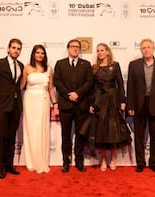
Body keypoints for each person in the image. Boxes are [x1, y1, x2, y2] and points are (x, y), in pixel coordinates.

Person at [126, 39, 155, 173]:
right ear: (141, 50)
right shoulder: (133, 65)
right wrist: (130, 106)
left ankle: (153, 163)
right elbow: (130, 87)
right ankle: (140, 163)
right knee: (139, 136)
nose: (146, 49)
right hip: (139, 104)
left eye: (148, 47)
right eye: (143, 47)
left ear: (153, 49)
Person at [54, 39, 94, 173]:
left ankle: (79, 161)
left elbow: (89, 83)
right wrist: (68, 94)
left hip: (81, 105)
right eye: (72, 46)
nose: (75, 49)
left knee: (80, 135)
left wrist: (78, 93)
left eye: (77, 47)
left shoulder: (86, 64)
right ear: (68, 48)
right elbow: (57, 82)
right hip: (65, 105)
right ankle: (66, 161)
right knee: (66, 135)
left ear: (80, 49)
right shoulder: (60, 64)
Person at [90, 43, 131, 171]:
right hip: (100, 101)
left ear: (107, 51)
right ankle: (102, 160)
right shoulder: (95, 68)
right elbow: (92, 88)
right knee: (101, 131)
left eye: (102, 50)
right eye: (98, 51)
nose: (100, 52)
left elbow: (120, 84)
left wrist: (122, 101)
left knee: (114, 131)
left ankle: (113, 159)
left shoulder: (115, 65)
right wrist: (92, 103)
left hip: (113, 100)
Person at [20, 44, 59, 173]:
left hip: (43, 100)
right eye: (37, 53)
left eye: (42, 53)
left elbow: (51, 88)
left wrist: (55, 104)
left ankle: (41, 161)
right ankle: (31, 161)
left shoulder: (49, 69)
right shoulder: (27, 68)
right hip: (30, 100)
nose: (40, 55)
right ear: (33, 54)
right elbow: (20, 86)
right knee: (30, 129)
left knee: (41, 130)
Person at [0, 38, 24, 179]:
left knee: (12, 137)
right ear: (8, 49)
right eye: (14, 48)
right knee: (2, 137)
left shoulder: (20, 65)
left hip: (16, 106)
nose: (16, 50)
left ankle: (10, 165)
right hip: (2, 106)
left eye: (18, 48)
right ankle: (2, 167)